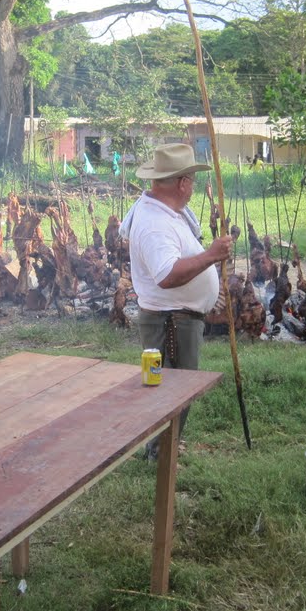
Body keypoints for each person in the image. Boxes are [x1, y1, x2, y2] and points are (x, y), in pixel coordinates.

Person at [119, 143, 233, 458]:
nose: (193, 187)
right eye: (192, 181)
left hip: (176, 318)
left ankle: (162, 449)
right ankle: (159, 454)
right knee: (171, 391)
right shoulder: (155, 223)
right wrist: (211, 255)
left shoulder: (167, 212)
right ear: (182, 183)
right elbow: (167, 275)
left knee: (171, 388)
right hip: (170, 322)